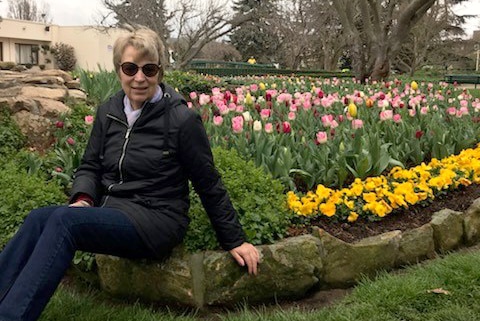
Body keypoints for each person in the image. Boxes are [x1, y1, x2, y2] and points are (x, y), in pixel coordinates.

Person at [0, 27, 259, 321]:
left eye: (149, 69)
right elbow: (90, 166)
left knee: (64, 221)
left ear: (160, 72)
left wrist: (235, 239)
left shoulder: (180, 120)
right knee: (38, 218)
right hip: (115, 210)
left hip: (157, 218)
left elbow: (208, 182)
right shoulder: (109, 111)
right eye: (130, 68)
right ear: (119, 69)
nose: (139, 77)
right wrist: (84, 198)